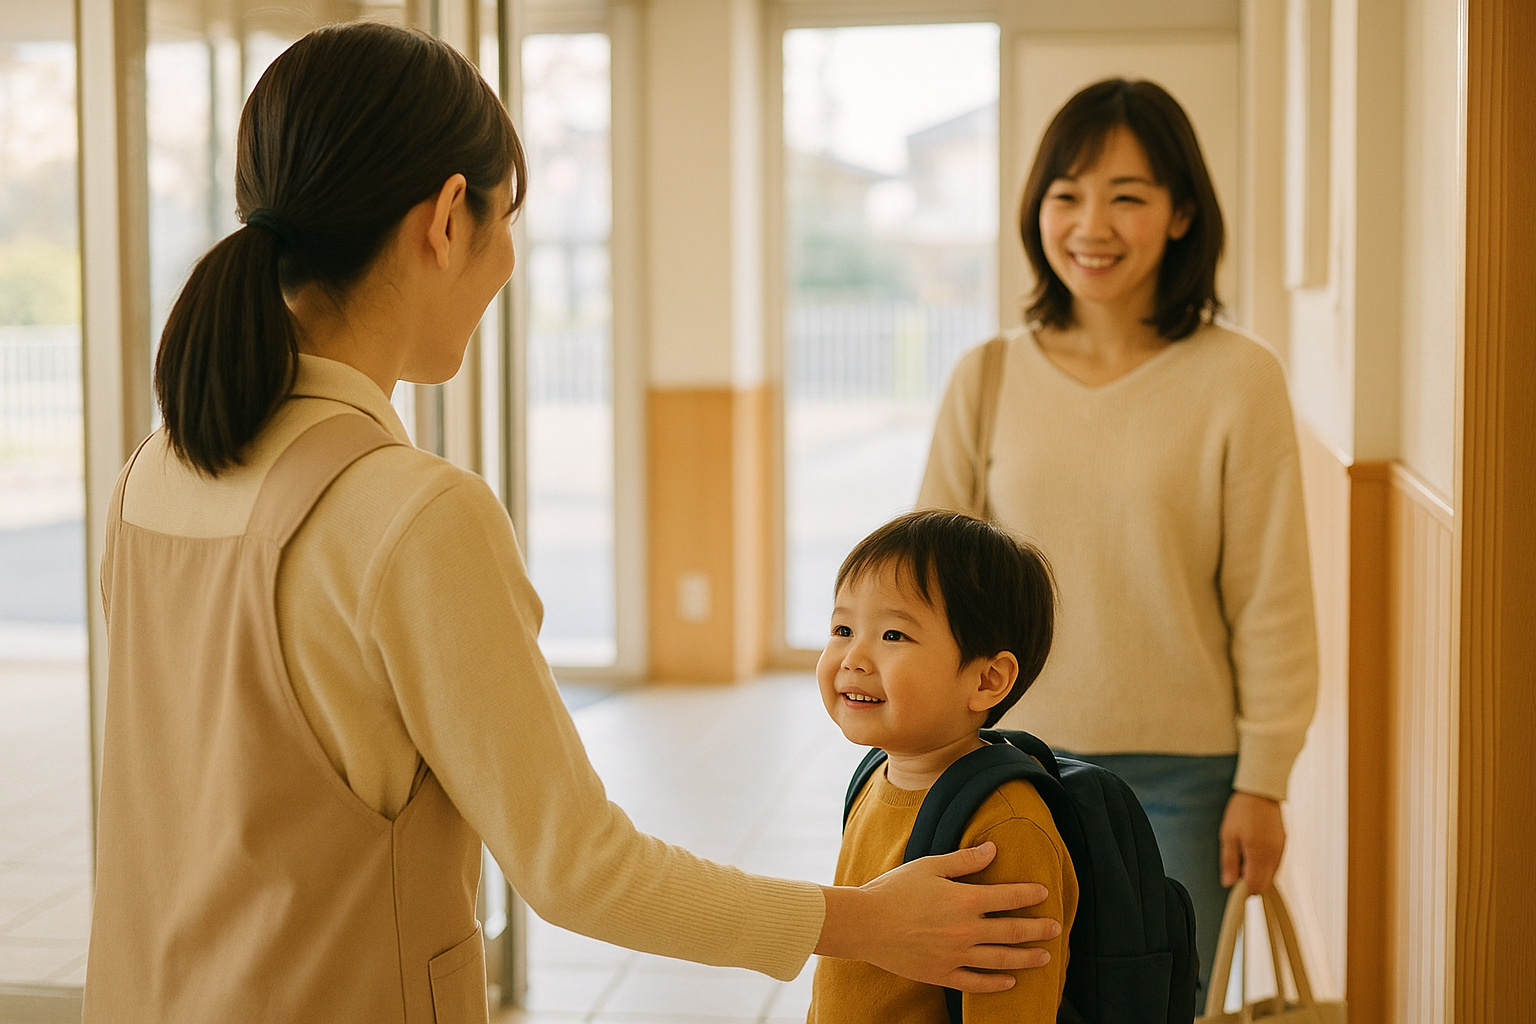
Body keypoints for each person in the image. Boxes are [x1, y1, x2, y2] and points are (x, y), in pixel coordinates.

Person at [81, 22, 1063, 1023]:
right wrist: (861, 921)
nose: (507, 259)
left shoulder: (148, 477)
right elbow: (578, 865)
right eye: (509, 219)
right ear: (448, 218)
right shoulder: (411, 513)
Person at [918, 78, 1318, 1011]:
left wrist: (1265, 781)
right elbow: (928, 593)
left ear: (1181, 214)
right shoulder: (986, 375)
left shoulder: (1239, 379)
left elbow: (1271, 598)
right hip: (1002, 761)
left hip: (1184, 783)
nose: (1091, 224)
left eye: (1127, 196)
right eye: (1067, 194)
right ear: (1037, 211)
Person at [808, 510, 1076, 1023]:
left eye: (893, 636)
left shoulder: (1006, 827)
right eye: (843, 628)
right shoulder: (875, 776)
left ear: (987, 680)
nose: (853, 658)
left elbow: (1012, 1009)